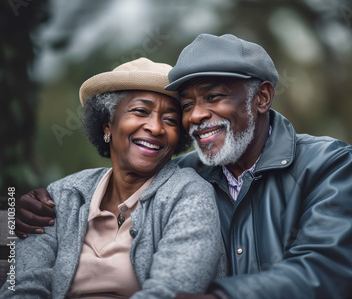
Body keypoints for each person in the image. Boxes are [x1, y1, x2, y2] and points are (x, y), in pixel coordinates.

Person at [15, 34, 352, 298]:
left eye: (214, 97)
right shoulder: (186, 174)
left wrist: (223, 296)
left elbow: (325, 269)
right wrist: (32, 203)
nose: (196, 116)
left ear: (262, 97)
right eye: (186, 106)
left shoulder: (331, 165)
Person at [3, 57, 226, 298]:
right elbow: (22, 287)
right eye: (141, 111)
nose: (156, 128)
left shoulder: (189, 194)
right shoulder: (63, 195)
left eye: (170, 120)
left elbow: (170, 291)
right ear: (107, 124)